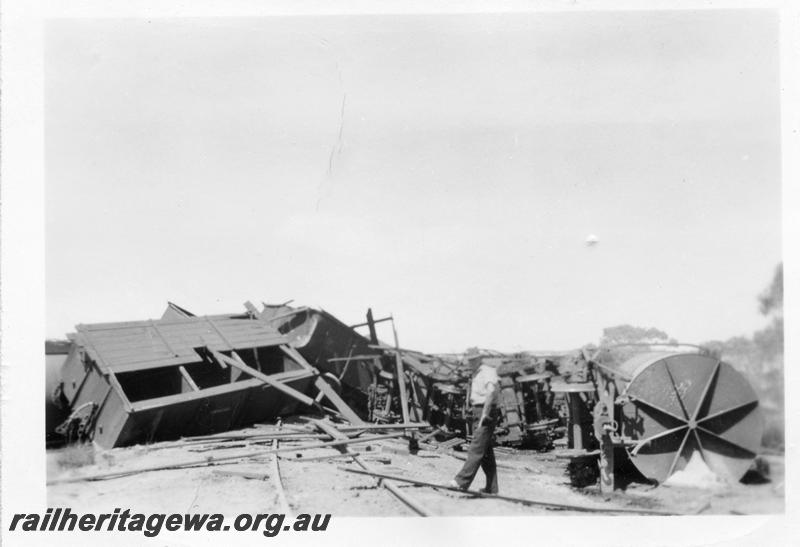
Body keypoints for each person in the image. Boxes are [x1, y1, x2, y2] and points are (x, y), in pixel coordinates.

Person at [449, 355, 501, 493]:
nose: (470, 362)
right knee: (486, 453)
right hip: (478, 410)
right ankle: (492, 488)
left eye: (472, 360)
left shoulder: (487, 371)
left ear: (479, 359)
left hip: (486, 411)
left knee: (476, 448)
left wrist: (485, 413)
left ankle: (461, 481)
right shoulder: (476, 372)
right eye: (469, 360)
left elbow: (490, 391)